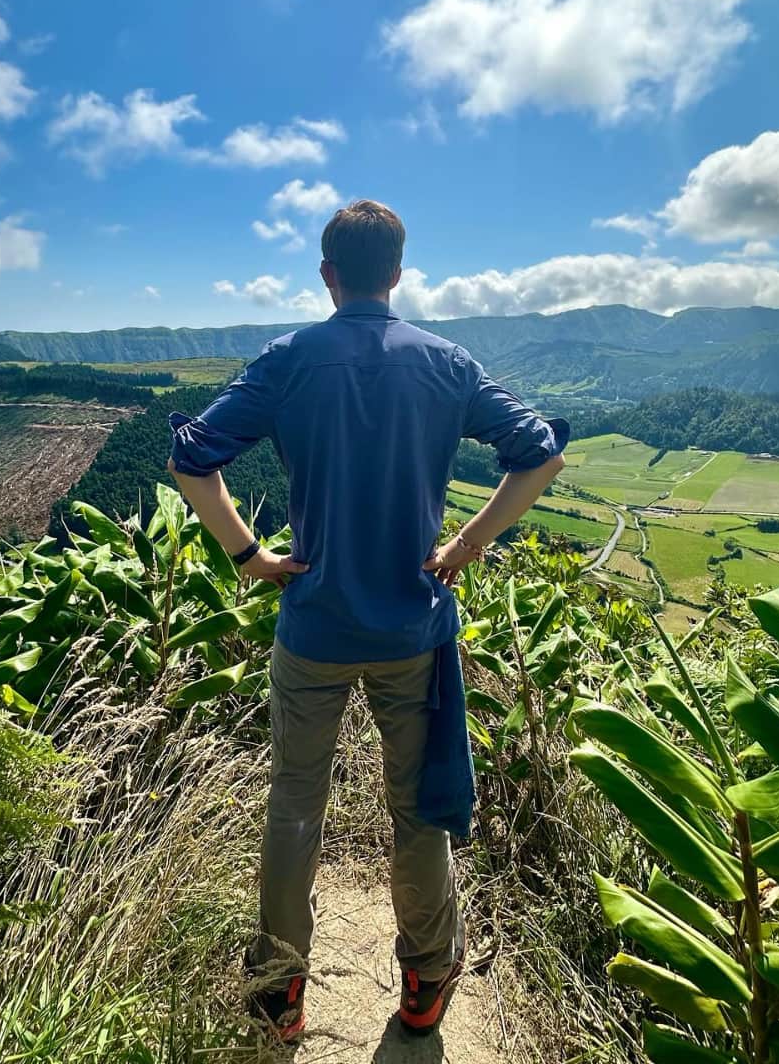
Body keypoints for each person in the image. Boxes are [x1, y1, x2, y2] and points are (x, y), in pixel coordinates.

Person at [167, 199, 569, 1042]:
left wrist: (250, 558)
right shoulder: (447, 363)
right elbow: (539, 453)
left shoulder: (289, 360)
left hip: (311, 624)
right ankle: (425, 982)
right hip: (410, 632)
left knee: (293, 807)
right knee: (417, 809)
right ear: (397, 272)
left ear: (326, 274)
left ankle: (281, 994)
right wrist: (466, 541)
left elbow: (191, 459)